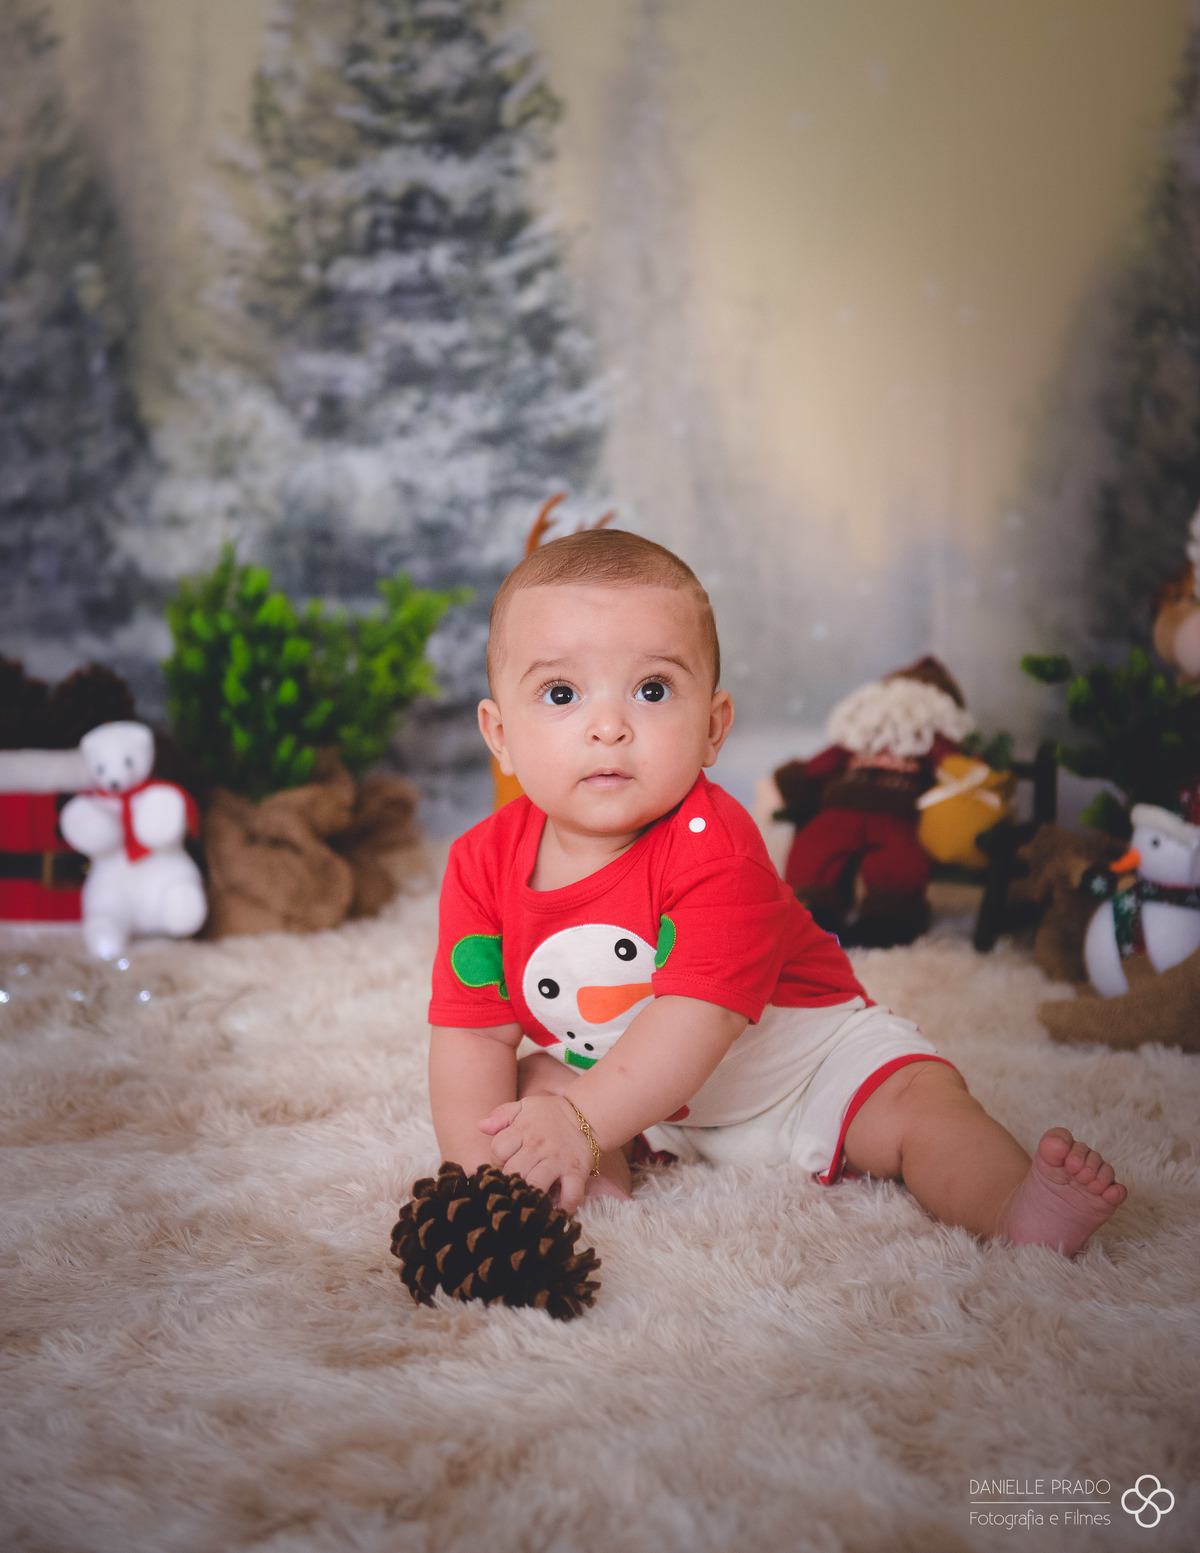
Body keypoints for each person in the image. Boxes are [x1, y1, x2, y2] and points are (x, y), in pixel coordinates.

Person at [427, 529, 1126, 1253]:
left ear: (713, 727)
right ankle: (579, 1178)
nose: (608, 728)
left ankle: (1015, 1206)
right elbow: (472, 1033)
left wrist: (580, 1119)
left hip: (805, 1067)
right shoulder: (481, 863)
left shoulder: (716, 843)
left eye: (652, 690)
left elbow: (697, 1019)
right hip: (641, 1099)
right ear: (500, 735)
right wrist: (477, 1180)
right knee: (530, 1085)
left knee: (922, 1106)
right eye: (561, 693)